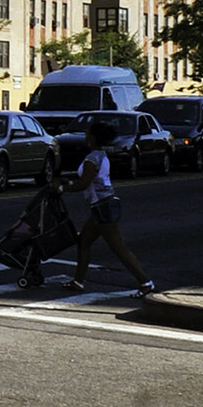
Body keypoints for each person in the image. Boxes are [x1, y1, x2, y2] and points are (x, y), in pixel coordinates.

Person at [64, 119, 157, 296]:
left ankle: (146, 282)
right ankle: (78, 282)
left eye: (87, 133)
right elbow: (91, 181)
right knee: (84, 241)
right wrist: (68, 182)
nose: (85, 136)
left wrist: (62, 188)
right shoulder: (101, 155)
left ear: (92, 137)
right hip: (103, 206)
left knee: (118, 248)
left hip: (103, 208)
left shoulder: (92, 159)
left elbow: (84, 184)